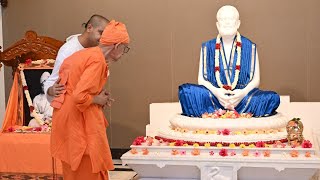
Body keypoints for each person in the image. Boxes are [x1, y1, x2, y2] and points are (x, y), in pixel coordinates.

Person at [50, 20, 130, 180]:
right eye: (124, 48)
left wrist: (97, 95)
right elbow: (79, 95)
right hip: (77, 120)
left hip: (66, 118)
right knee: (86, 170)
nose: (123, 52)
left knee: (74, 171)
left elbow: (76, 85)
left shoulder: (86, 54)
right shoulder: (97, 60)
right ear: (116, 46)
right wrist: (97, 99)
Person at [179, 5, 280, 117]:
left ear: (238, 23)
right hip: (215, 97)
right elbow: (201, 80)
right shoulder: (207, 47)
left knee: (272, 98)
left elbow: (256, 81)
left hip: (242, 99)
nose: (227, 22)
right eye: (223, 19)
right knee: (186, 91)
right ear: (217, 24)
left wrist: (241, 94)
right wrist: (217, 93)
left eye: (231, 19)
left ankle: (218, 112)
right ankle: (225, 110)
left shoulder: (250, 46)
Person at [44, 14, 110, 102]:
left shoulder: (98, 49)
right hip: (70, 105)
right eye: (101, 33)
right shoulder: (68, 50)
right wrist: (51, 90)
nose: (102, 39)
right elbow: (53, 81)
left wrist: (100, 95)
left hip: (88, 104)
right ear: (89, 28)